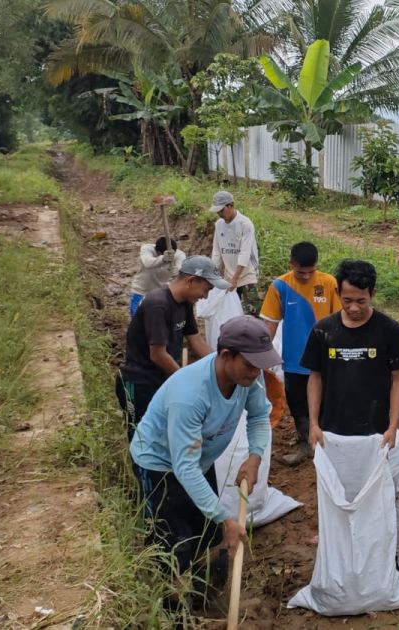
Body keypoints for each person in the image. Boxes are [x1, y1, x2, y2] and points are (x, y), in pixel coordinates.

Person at [130, 315, 282, 604]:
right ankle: (170, 610)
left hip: (197, 460)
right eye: (250, 365)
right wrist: (225, 518)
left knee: (210, 536)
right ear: (226, 356)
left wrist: (254, 457)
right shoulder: (189, 395)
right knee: (173, 541)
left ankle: (204, 602)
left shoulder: (249, 376)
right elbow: (183, 467)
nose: (256, 372)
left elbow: (260, 416)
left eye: (260, 365)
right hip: (159, 464)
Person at [301, 260, 399, 451]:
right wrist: (313, 424)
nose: (354, 308)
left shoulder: (389, 330)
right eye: (347, 300)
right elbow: (315, 377)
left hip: (376, 431)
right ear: (337, 293)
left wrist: (393, 427)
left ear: (372, 294)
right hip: (332, 430)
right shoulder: (323, 330)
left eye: (361, 301)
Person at [116, 256, 225, 442]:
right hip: (138, 383)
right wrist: (187, 382)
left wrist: (222, 364)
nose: (205, 296)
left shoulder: (185, 303)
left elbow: (195, 340)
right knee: (141, 436)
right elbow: (158, 355)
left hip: (163, 379)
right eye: (206, 289)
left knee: (164, 436)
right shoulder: (157, 304)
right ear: (191, 281)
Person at [258, 242, 341, 465]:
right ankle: (305, 442)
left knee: (326, 402)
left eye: (310, 272)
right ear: (291, 264)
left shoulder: (329, 283)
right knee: (297, 403)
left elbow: (340, 320)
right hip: (294, 359)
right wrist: (261, 355)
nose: (305, 276)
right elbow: (270, 323)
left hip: (324, 359)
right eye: (300, 272)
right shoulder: (280, 286)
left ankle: (326, 445)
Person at [209, 190, 261, 313]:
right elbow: (216, 252)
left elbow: (245, 253)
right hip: (229, 276)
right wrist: (213, 274)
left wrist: (235, 278)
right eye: (217, 211)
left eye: (221, 210)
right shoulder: (219, 225)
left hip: (247, 274)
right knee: (231, 312)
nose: (219, 214)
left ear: (230, 206)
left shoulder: (245, 224)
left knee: (253, 312)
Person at [129, 236, 185, 317]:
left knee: (159, 321)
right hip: (140, 292)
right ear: (157, 251)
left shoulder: (179, 255)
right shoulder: (147, 249)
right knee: (137, 320)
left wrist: (178, 271)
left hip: (161, 295)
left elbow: (181, 270)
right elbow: (147, 263)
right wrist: (163, 259)